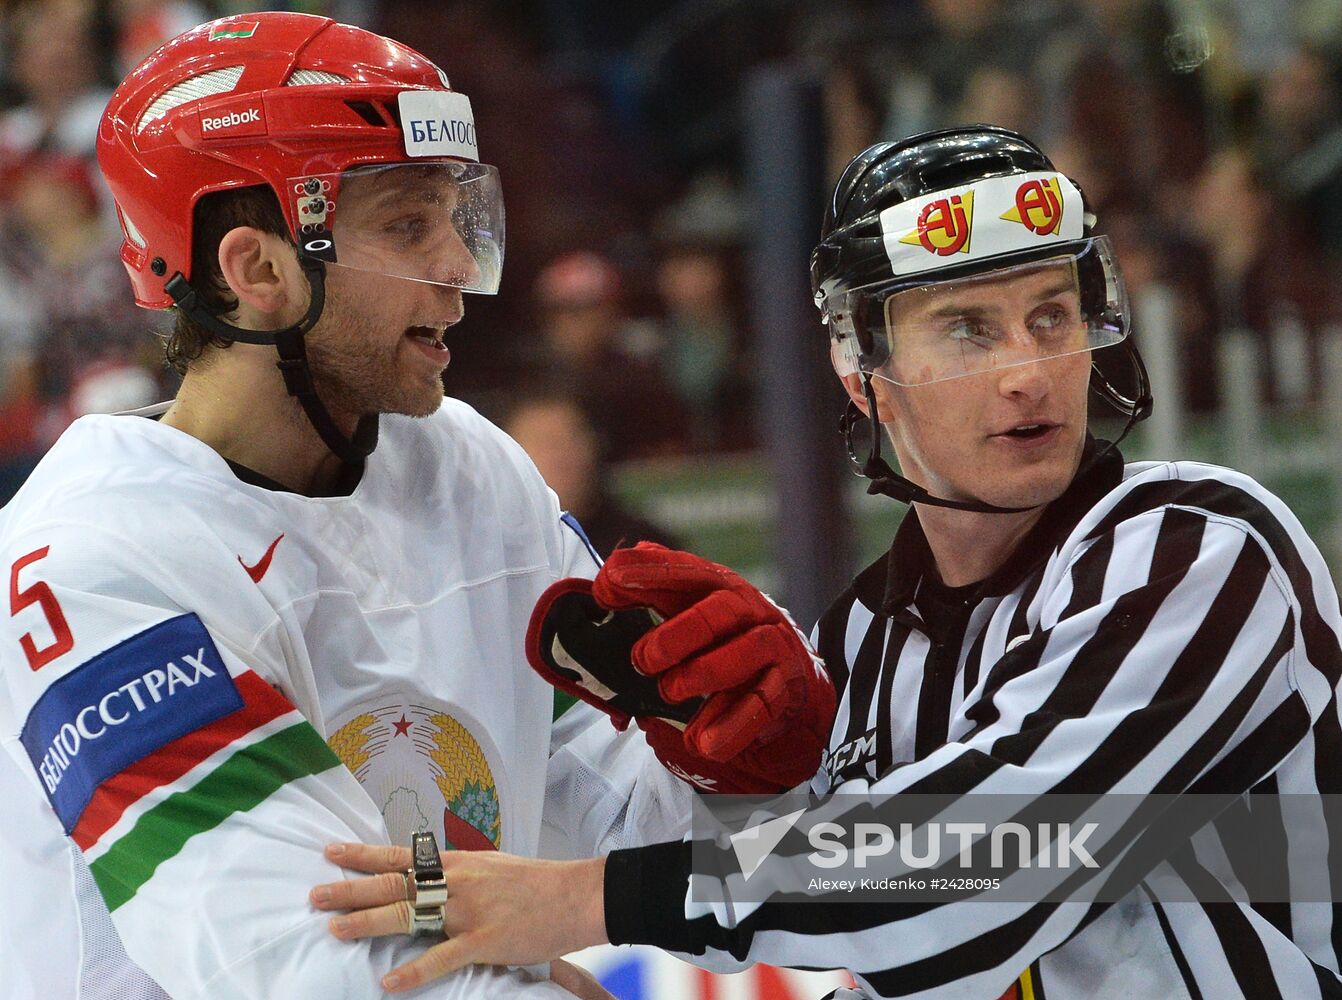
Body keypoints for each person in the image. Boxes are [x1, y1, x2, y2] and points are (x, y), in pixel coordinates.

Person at [312, 126, 1342, 998]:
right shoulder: (857, 643)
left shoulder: (1201, 551)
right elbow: (893, 955)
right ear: (863, 371)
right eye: (967, 330)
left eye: (1050, 316)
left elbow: (999, 869)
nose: (1027, 372)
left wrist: (583, 899)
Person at [0, 12, 834, 1000]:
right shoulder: (88, 560)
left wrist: (762, 783)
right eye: (406, 224)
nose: (456, 263)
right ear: (257, 269)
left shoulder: (472, 468)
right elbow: (315, 963)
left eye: (457, 213)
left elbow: (622, 830)